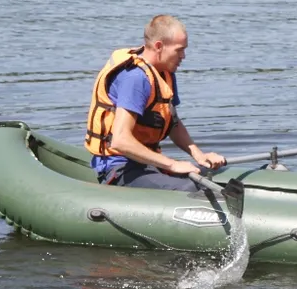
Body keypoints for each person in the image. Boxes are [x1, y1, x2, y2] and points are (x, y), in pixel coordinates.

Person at [85, 15, 226, 191]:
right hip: (120, 168)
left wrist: (199, 155)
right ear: (159, 46)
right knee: (192, 188)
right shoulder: (135, 78)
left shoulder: (164, 71)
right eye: (179, 50)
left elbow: (172, 123)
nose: (183, 56)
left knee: (216, 176)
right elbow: (120, 141)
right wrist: (172, 165)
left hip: (147, 162)